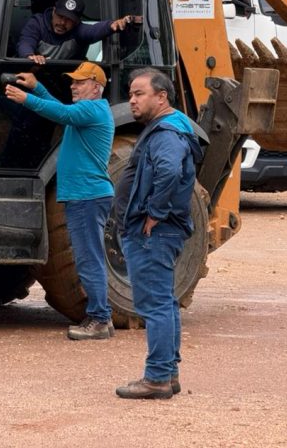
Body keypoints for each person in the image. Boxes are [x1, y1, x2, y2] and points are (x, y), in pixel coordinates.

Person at [4, 61, 115, 340]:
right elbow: (61, 110)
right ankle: (98, 316)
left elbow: (60, 112)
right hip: (84, 196)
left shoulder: (92, 109)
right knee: (88, 258)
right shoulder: (86, 111)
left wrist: (26, 98)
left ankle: (101, 319)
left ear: (95, 87)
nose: (73, 86)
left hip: (87, 196)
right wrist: (37, 87)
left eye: (79, 82)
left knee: (89, 260)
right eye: (72, 81)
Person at [114, 68, 202, 400]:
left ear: (161, 97)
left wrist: (154, 212)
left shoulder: (166, 133)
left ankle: (157, 377)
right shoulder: (167, 129)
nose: (131, 100)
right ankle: (169, 371)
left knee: (155, 305)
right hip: (159, 232)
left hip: (154, 232)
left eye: (139, 94)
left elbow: (168, 170)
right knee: (163, 302)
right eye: (131, 94)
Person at [16, 0, 134, 63]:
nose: (62, 22)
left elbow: (94, 30)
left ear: (76, 21)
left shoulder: (79, 31)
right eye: (60, 16)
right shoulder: (37, 23)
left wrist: (112, 25)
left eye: (69, 19)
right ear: (53, 11)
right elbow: (26, 42)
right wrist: (30, 56)